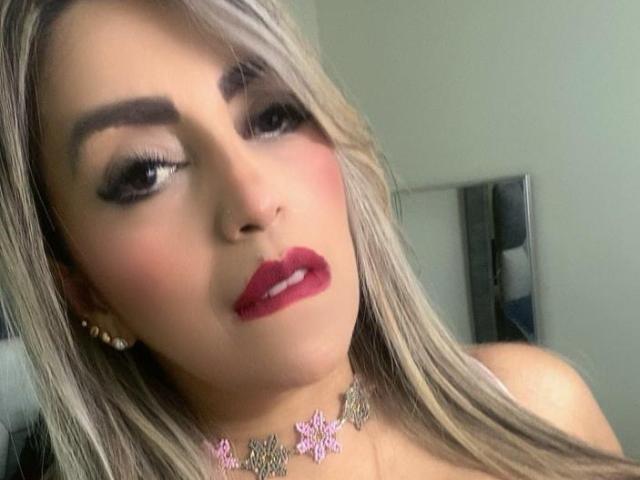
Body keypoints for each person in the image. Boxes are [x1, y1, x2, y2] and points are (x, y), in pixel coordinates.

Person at [0, 1, 638, 479]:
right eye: (145, 172)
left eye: (272, 115)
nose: (255, 200)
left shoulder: (538, 403)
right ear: (84, 290)